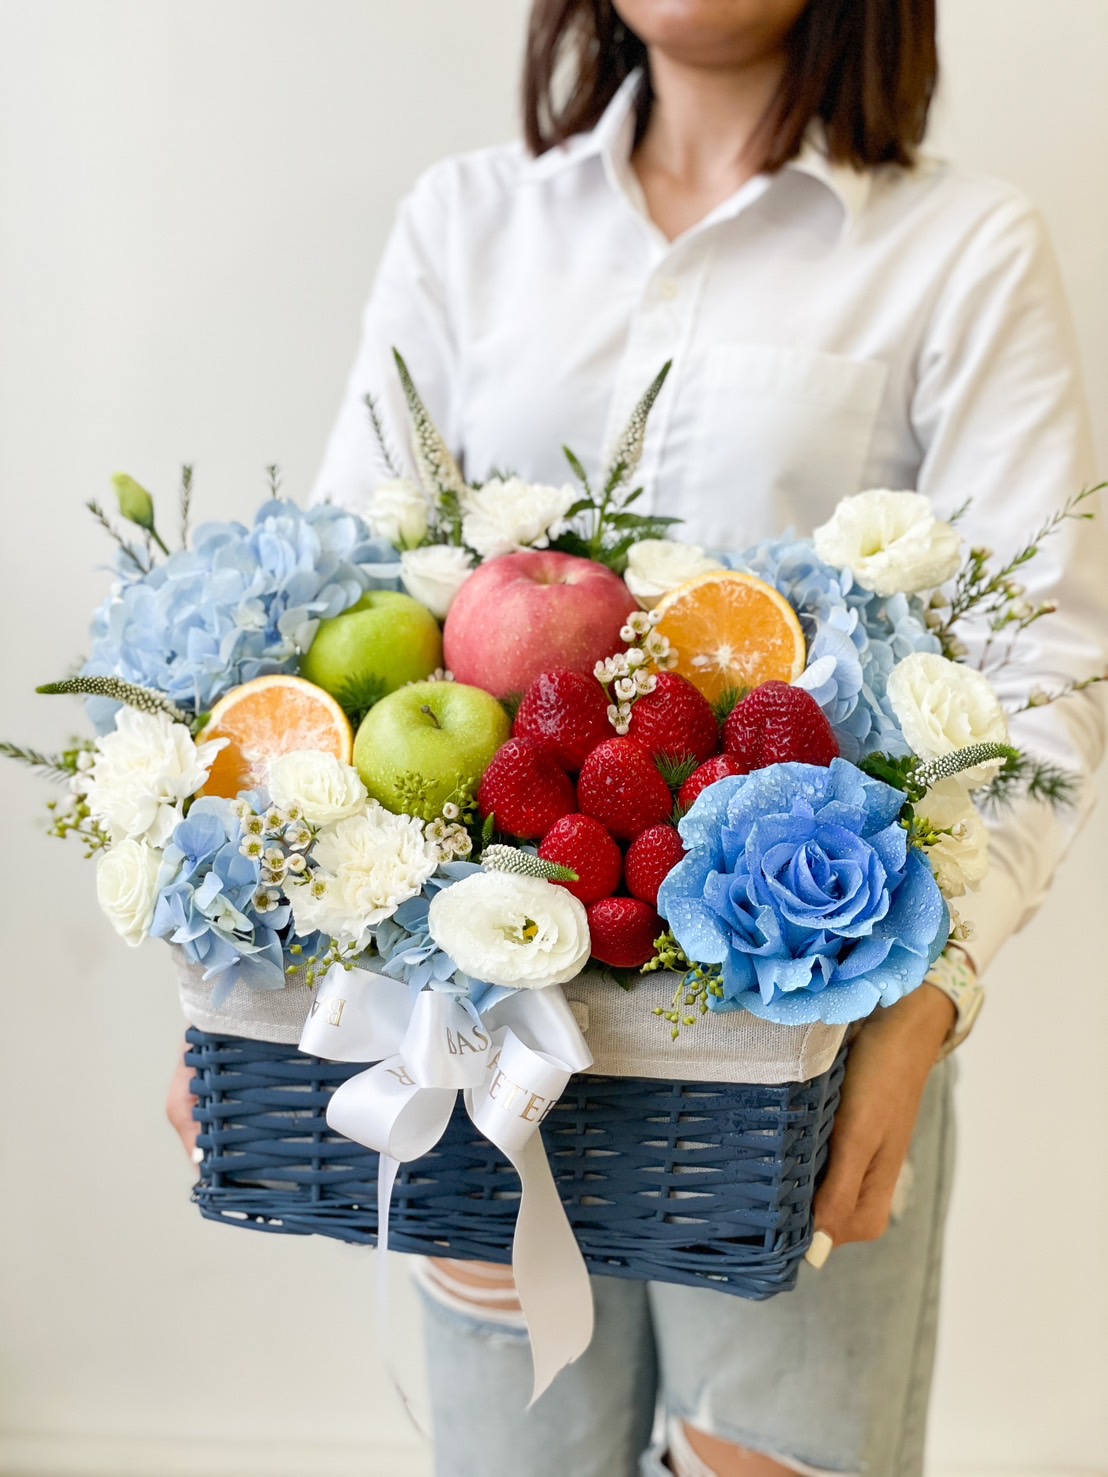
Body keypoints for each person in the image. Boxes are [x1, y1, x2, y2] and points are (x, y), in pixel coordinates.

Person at [170, 2, 1107, 1473]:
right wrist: (241, 969)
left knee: (768, 1459)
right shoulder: (472, 221)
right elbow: (335, 622)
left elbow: (1042, 658)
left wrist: (930, 1004)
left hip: (799, 1039)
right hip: (480, 1039)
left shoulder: (962, 247)